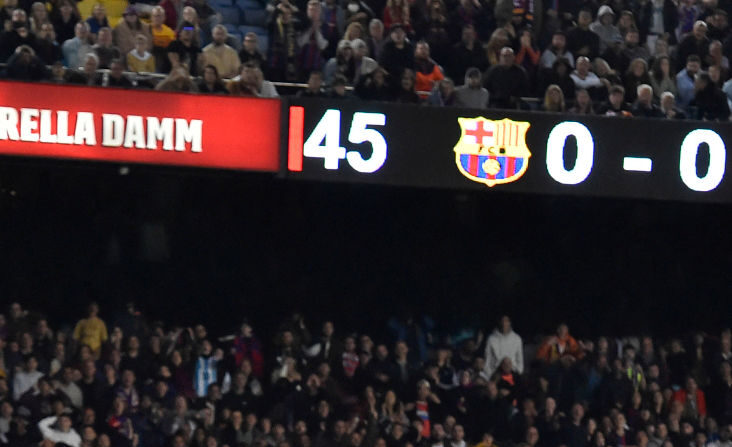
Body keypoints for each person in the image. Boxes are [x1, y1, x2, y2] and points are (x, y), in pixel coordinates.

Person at [150, 6, 176, 73]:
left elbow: (173, 49)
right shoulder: (147, 29)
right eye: (155, 16)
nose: (157, 18)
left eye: (160, 16)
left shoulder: (169, 32)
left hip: (165, 59)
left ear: (164, 17)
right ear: (151, 17)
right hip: (151, 57)